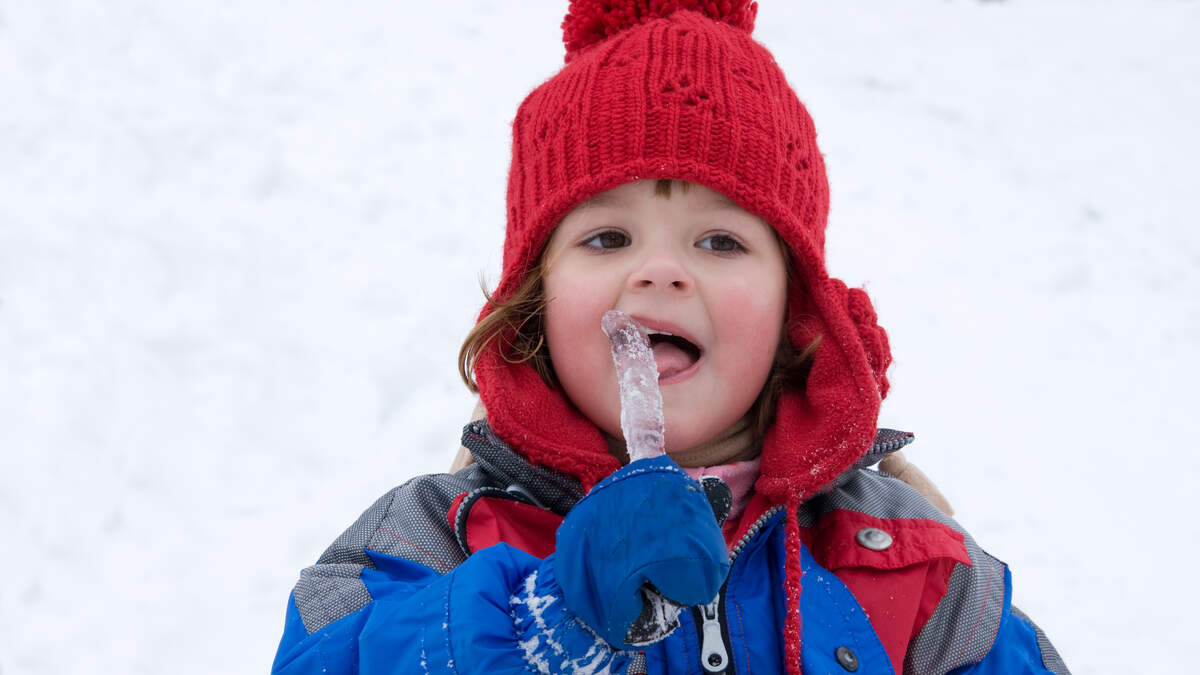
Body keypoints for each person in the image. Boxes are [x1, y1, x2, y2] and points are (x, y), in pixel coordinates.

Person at [271, 2, 1069, 673]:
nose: (659, 271)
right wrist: (540, 620)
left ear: (796, 306)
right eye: (607, 239)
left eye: (719, 242)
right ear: (533, 299)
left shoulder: (911, 561)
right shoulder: (438, 534)